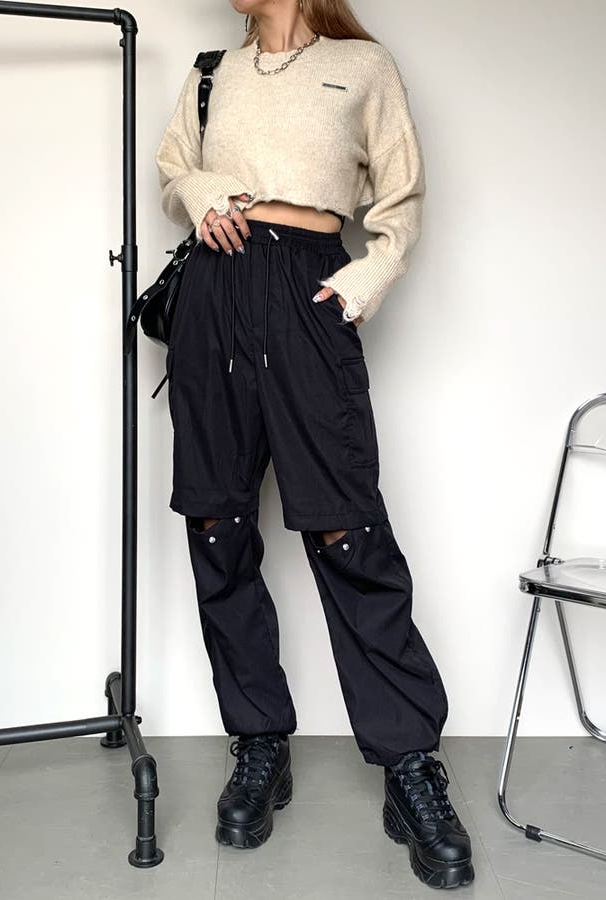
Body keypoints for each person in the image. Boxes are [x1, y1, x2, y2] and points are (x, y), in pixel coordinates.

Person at [154, 0, 473, 889]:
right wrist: (200, 194)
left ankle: (409, 764)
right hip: (213, 294)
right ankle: (259, 741)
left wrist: (365, 276)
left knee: (346, 526)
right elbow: (175, 167)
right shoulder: (212, 72)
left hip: (308, 290)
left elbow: (402, 191)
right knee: (217, 523)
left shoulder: (362, 67)